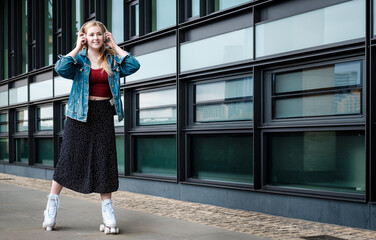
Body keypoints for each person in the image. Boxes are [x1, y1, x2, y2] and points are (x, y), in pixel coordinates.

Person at [42, 20, 140, 234]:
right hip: (79, 115)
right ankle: (52, 204)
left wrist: (114, 45)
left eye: (99, 34)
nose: (96, 38)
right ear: (85, 37)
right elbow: (61, 68)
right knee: (69, 157)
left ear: (104, 36)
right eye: (91, 34)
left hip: (103, 114)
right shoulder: (78, 60)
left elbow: (133, 65)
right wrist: (78, 47)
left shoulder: (112, 59)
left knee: (105, 160)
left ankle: (107, 210)